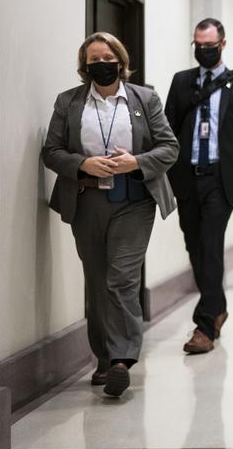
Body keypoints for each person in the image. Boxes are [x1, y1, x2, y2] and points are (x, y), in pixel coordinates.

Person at [42, 32, 179, 398]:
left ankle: (122, 359)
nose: (100, 64)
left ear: (120, 60)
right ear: (84, 66)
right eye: (93, 59)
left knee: (121, 277)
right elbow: (51, 152)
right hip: (87, 201)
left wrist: (136, 161)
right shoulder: (69, 102)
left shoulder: (144, 99)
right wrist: (83, 163)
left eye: (107, 57)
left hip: (134, 201)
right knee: (97, 280)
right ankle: (103, 358)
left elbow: (170, 148)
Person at [165, 18, 233, 354]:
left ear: (222, 44)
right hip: (187, 178)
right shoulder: (181, 83)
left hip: (221, 181)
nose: (203, 52)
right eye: (198, 46)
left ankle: (204, 325)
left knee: (210, 246)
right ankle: (217, 307)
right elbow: (167, 132)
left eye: (209, 46)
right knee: (195, 248)